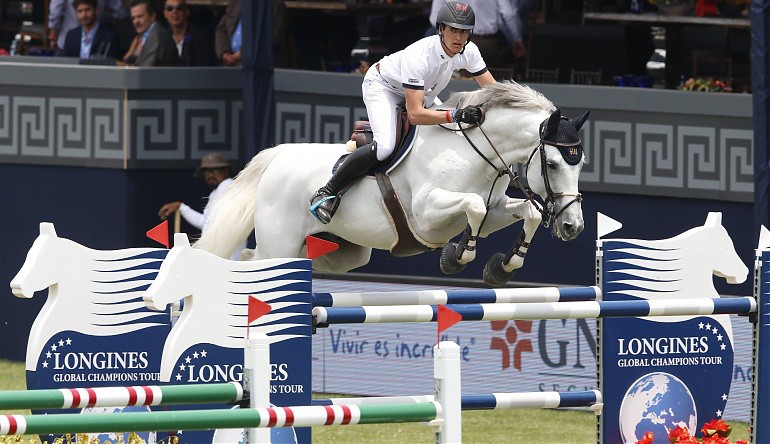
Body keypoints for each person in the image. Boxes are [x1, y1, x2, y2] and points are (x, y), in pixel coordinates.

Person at [309, 1, 495, 225]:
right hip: (384, 86)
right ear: (440, 30)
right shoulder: (420, 56)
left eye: (464, 32)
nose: (458, 37)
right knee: (385, 147)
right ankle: (327, 192)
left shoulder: (469, 51)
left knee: (447, 132)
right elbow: (415, 115)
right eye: (453, 30)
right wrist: (455, 115)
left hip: (420, 93)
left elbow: (493, 91)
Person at [158, 152, 246, 260]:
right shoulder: (216, 192)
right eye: (206, 171)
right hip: (219, 258)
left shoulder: (228, 186)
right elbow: (204, 223)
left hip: (226, 259)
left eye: (215, 170)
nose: (210, 175)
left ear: (226, 171)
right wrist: (181, 207)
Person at [429, 0, 526, 65]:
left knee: (455, 83)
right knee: (487, 87)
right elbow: (510, 14)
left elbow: (435, 19)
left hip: (453, 43)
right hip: (488, 43)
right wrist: (517, 40)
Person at [48, 0, 127, 51]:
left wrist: (54, 31)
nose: (84, 15)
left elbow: (56, 11)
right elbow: (119, 12)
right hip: (99, 42)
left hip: (68, 39)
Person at [121, 0, 179, 66]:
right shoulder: (141, 38)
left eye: (140, 16)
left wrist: (120, 66)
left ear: (153, 16)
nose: (136, 22)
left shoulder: (157, 37)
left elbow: (145, 71)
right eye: (133, 18)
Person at [163, 0, 216, 66]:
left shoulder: (200, 38)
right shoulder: (162, 38)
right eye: (170, 8)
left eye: (179, 8)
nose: (174, 11)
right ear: (165, 14)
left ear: (187, 12)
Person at [214, 0, 241, 66]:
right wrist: (224, 53)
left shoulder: (265, 5)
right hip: (230, 63)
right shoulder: (237, 2)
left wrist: (245, 52)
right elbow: (222, 29)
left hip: (254, 64)